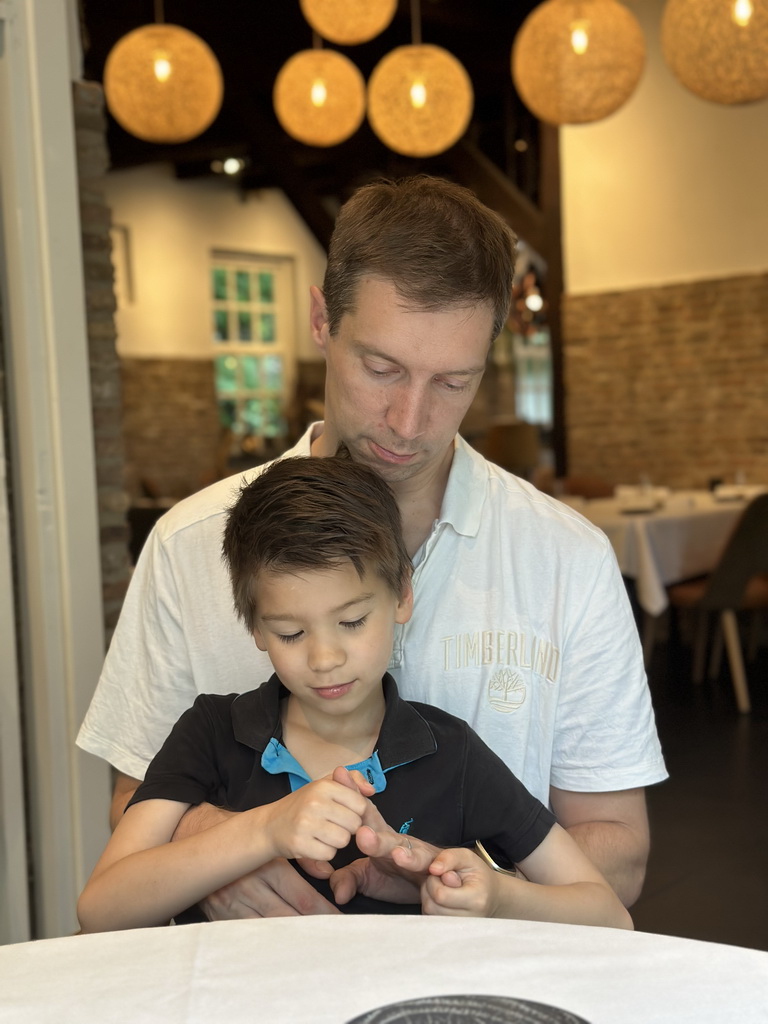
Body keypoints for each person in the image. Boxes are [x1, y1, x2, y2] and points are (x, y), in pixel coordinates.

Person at [77, 174, 667, 915]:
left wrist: (463, 884)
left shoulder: (567, 560)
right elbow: (133, 803)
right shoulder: (188, 546)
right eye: (381, 368)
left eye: (454, 382)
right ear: (322, 319)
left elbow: (621, 856)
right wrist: (234, 844)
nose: (410, 420)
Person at [77, 454, 632, 933]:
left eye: (352, 621)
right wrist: (265, 828)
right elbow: (102, 909)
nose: (324, 659)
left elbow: (608, 914)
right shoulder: (209, 732)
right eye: (290, 633)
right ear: (255, 628)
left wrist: (498, 896)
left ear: (401, 597)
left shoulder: (452, 753)